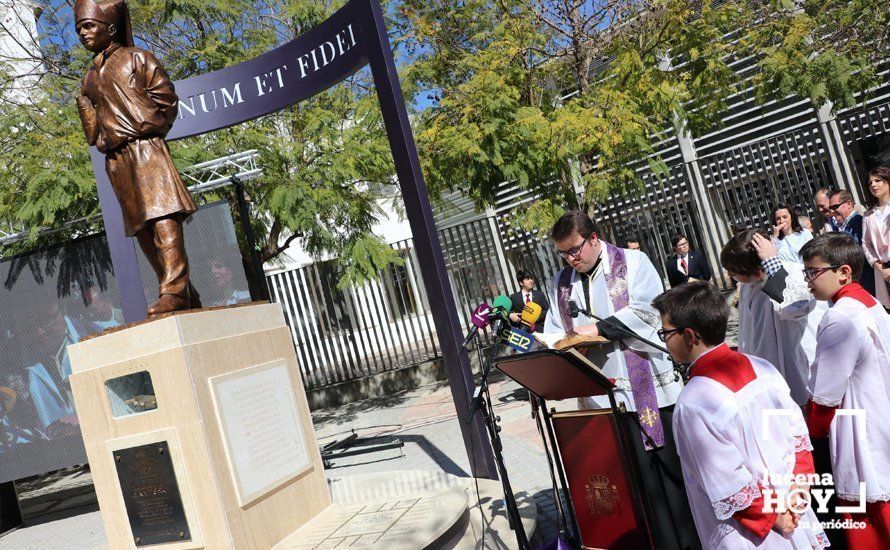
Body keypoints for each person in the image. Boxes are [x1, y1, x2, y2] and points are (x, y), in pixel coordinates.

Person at [543, 210, 697, 550]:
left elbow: (650, 310)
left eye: (575, 250)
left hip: (651, 393)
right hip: (603, 401)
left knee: (670, 481)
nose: (571, 258)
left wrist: (597, 329)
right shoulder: (560, 282)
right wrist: (558, 343)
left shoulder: (634, 262)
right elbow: (556, 329)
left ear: (594, 238)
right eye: (563, 253)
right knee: (634, 487)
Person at [653, 282, 828, 550]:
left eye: (665, 332)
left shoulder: (694, 401)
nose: (663, 339)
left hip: (750, 532)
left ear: (689, 335)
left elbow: (726, 478)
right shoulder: (762, 367)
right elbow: (798, 438)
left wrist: (773, 517)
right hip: (793, 510)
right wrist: (798, 491)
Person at [75, 0, 200, 315]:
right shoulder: (88, 79)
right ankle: (181, 292)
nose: (83, 33)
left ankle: (174, 290)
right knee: (142, 227)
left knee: (163, 217)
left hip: (146, 149)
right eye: (79, 28)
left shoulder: (138, 58)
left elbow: (166, 100)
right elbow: (92, 128)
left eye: (88, 25)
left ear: (111, 27)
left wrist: (149, 128)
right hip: (116, 159)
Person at [800, 232, 890, 548]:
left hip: (861, 431)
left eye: (814, 271)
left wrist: (810, 433)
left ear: (844, 272)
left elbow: (824, 398)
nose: (809, 280)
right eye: (806, 272)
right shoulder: (869, 302)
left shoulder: (840, 318)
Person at [720, 229, 825, 405]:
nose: (730, 275)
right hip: (765, 371)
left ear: (749, 268)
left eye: (732, 271)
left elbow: (797, 306)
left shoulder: (796, 273)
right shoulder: (747, 285)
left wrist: (773, 265)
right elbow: (748, 331)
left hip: (796, 366)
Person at [829, 189, 876, 296]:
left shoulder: (858, 223)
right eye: (830, 208)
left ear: (849, 203)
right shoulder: (842, 226)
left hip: (869, 283)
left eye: (835, 207)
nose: (832, 211)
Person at [863, 166, 890, 310]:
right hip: (884, 271)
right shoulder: (868, 215)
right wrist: (881, 268)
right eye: (870, 183)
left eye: (878, 180)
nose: (873, 185)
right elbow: (866, 244)